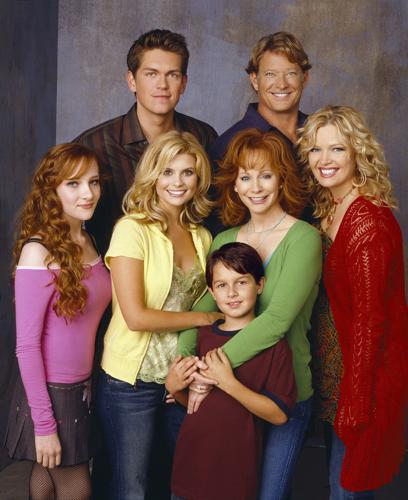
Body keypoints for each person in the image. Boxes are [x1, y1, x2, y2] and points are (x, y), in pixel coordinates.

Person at [178, 128, 322, 499]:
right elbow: (200, 313)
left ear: (282, 180)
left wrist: (208, 372)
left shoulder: (304, 239)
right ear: (235, 185)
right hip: (228, 397)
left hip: (283, 393)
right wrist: (185, 364)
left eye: (265, 175)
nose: (255, 187)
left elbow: (277, 321)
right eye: (245, 177)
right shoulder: (225, 240)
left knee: (268, 495)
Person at [96, 130, 222, 499]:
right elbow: (136, 317)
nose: (177, 182)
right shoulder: (131, 230)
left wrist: (187, 374)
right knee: (132, 489)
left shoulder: (201, 237)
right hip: (130, 383)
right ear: (152, 175)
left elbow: (204, 301)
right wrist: (204, 320)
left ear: (198, 179)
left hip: (178, 379)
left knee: (180, 483)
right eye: (167, 172)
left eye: (187, 172)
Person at [297, 105, 408, 499]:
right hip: (333, 369)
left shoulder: (368, 221)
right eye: (315, 149)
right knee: (335, 483)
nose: (324, 160)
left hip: (363, 378)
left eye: (337, 149)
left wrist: (357, 401)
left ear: (358, 152)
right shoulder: (330, 206)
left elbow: (369, 320)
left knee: (347, 488)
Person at [5, 144, 111, 500]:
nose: (88, 193)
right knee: (77, 488)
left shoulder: (88, 239)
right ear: (52, 189)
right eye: (73, 184)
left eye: (93, 182)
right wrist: (44, 425)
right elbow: (26, 345)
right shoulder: (38, 251)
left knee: (46, 478)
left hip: (83, 384)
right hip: (50, 390)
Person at [169, 242, 297, 500]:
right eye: (221, 285)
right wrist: (173, 387)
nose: (232, 293)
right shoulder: (202, 337)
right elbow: (194, 405)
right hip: (190, 466)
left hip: (235, 474)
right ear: (211, 292)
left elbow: (279, 415)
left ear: (259, 285)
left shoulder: (274, 346)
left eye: (241, 282)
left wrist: (229, 383)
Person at [75, 29, 217, 255]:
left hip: (191, 267)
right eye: (151, 74)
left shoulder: (203, 136)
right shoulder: (94, 144)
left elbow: (217, 211)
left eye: (172, 75)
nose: (162, 84)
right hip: (115, 272)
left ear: (183, 83)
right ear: (131, 80)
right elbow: (58, 214)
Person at [211, 31, 311, 164]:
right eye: (270, 74)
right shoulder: (227, 146)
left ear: (305, 78)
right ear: (255, 80)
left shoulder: (321, 131)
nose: (282, 85)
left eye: (290, 73)